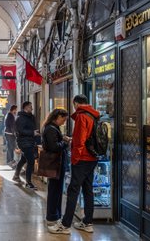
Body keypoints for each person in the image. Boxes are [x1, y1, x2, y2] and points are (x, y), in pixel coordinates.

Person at [49, 95, 99, 235]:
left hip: (82, 159)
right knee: (88, 190)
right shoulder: (94, 114)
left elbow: (79, 141)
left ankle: (65, 225)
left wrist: (75, 159)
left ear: (76, 103)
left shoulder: (82, 116)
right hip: (92, 158)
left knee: (73, 191)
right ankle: (87, 222)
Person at [41, 109, 71, 227]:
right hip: (55, 164)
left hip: (56, 164)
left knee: (56, 190)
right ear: (58, 117)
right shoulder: (51, 129)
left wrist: (62, 139)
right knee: (55, 191)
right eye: (63, 119)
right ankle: (52, 217)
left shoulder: (51, 128)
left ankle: (55, 215)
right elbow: (54, 147)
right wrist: (66, 143)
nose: (64, 122)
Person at [12, 101, 39, 190]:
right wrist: (32, 133)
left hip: (30, 141)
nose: (32, 108)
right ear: (26, 108)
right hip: (24, 143)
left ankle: (16, 175)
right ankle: (28, 183)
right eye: (31, 107)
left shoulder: (30, 117)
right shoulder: (20, 118)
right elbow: (20, 131)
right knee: (30, 161)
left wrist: (35, 133)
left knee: (23, 159)